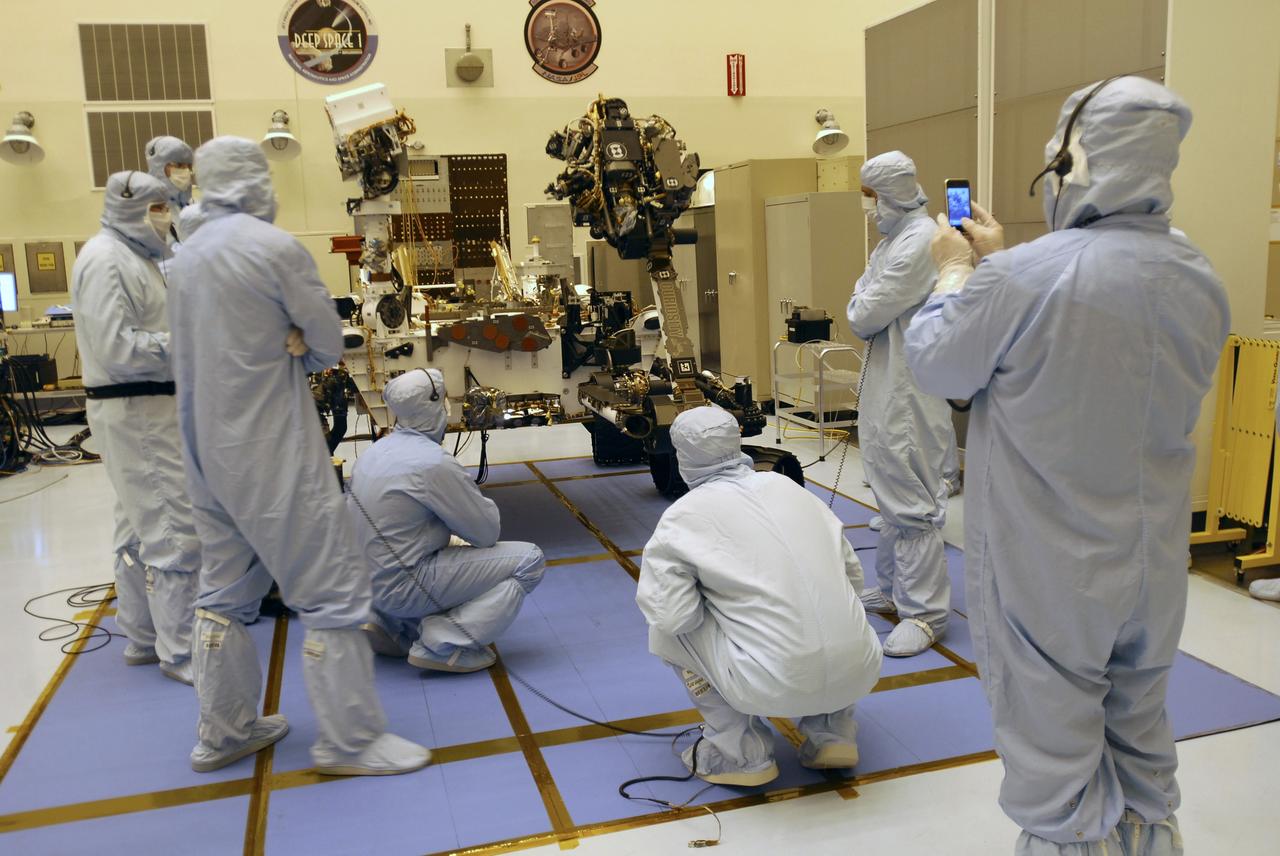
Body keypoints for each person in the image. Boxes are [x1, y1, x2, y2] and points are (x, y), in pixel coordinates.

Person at [904, 77, 1229, 855]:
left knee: (1053, 754)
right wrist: (1008, 263)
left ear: (1073, 162)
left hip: (1049, 567)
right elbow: (1094, 318)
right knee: (1142, 736)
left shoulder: (1023, 279)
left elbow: (942, 365)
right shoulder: (1196, 275)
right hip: (1150, 564)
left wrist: (956, 271)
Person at [168, 136, 430, 776]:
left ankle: (223, 731)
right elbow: (321, 342)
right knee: (331, 589)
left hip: (205, 448)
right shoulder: (272, 248)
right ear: (254, 181)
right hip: (270, 447)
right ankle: (351, 741)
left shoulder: (183, 256)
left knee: (222, 591)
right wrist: (298, 343)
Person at [636, 406, 883, 786]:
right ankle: (833, 735)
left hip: (771, 684)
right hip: (861, 669)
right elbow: (852, 577)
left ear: (681, 455)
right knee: (826, 602)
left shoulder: (683, 516)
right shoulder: (791, 490)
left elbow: (673, 617)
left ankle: (740, 755)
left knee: (666, 628)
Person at [71, 171, 197, 685]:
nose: (165, 217)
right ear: (130, 209)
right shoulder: (106, 260)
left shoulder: (141, 257)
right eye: (157, 208)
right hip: (136, 410)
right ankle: (184, 650)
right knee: (173, 531)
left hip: (147, 408)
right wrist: (187, 344)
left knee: (137, 528)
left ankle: (143, 636)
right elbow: (118, 350)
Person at [347, 369, 545, 672]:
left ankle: (385, 623)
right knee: (529, 561)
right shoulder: (432, 462)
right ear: (437, 407)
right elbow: (486, 533)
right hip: (402, 587)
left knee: (435, 541)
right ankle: (444, 644)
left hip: (366, 585)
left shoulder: (375, 452)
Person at [846, 151, 954, 657]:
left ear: (889, 195)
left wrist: (864, 297)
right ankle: (891, 591)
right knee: (889, 499)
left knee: (911, 502)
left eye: (871, 199)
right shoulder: (894, 241)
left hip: (909, 393)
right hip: (887, 387)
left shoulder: (920, 242)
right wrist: (864, 296)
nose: (868, 210)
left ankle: (926, 613)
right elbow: (864, 300)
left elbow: (864, 313)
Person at [144, 136, 194, 221]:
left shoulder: (192, 205)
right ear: (159, 167)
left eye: (189, 166)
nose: (186, 171)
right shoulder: (146, 209)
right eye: (178, 165)